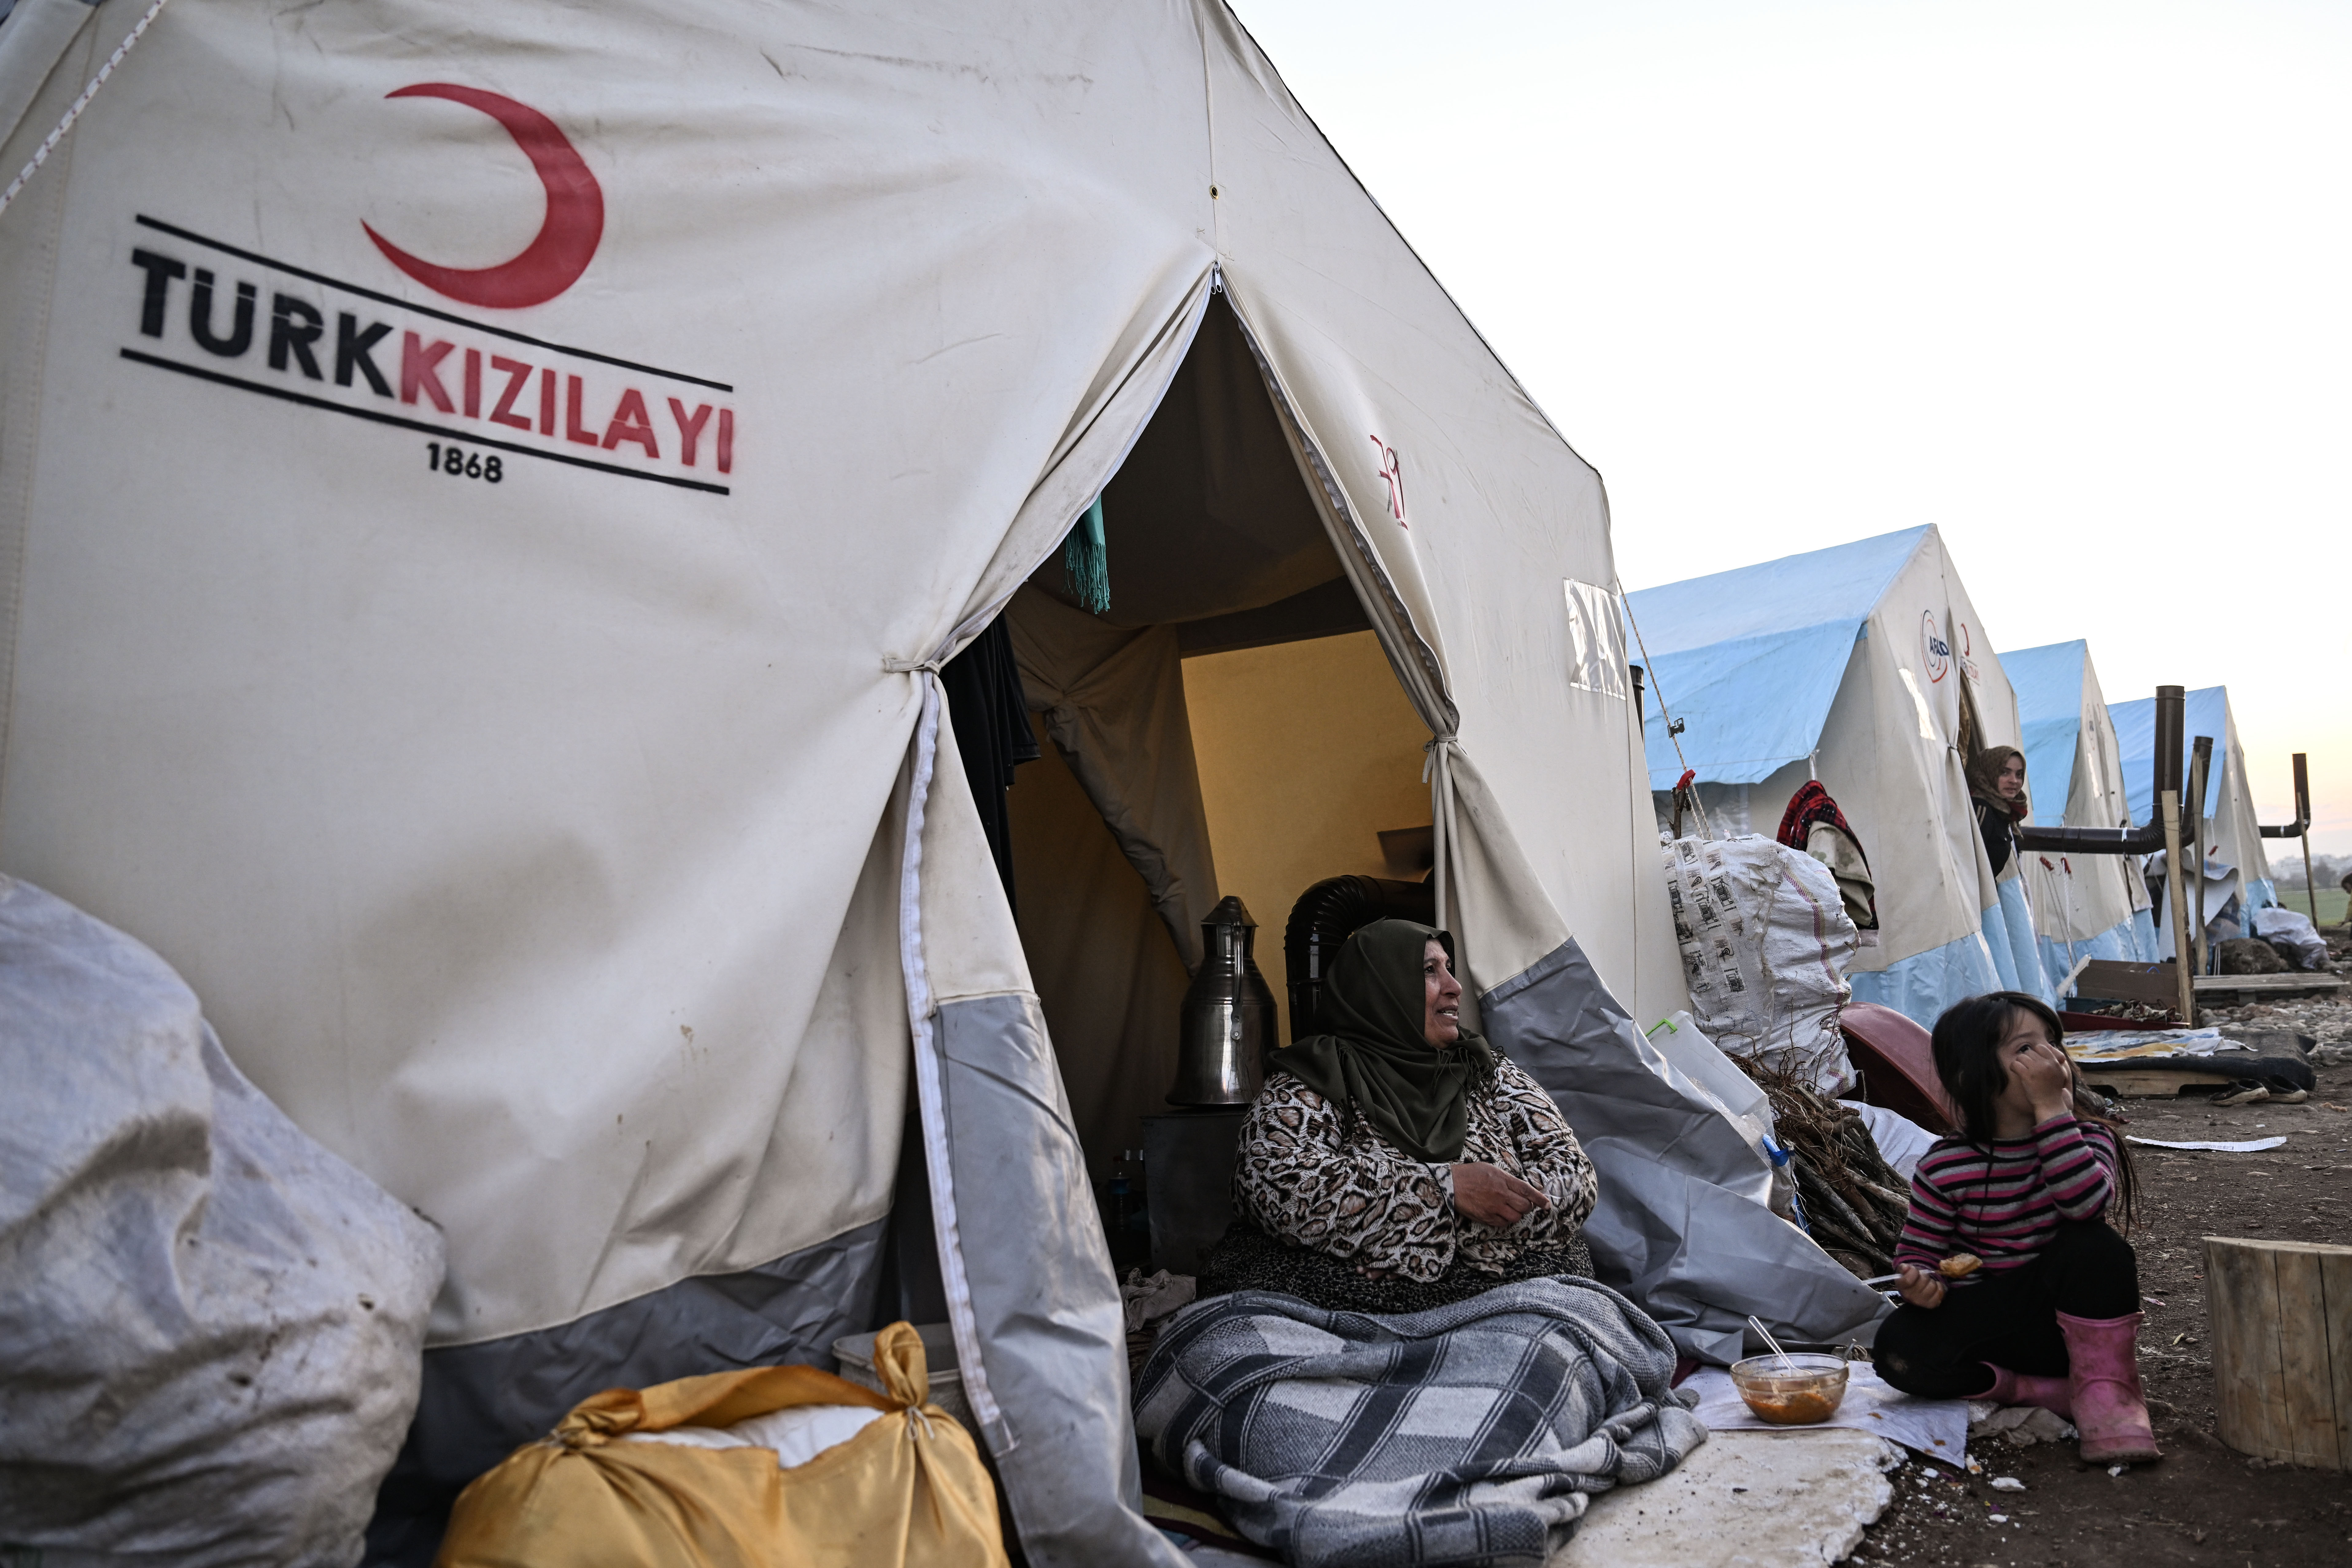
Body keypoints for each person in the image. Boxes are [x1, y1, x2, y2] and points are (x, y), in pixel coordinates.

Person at [1209, 919, 1598, 1313]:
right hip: (1359, 1298)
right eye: (1429, 971)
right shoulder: (1315, 1076)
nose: (1454, 986)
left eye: (1448, 968)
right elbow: (1272, 1184)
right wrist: (1447, 1189)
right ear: (1380, 988)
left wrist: (1431, 1230)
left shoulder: (1483, 1070)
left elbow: (1574, 1180)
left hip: (1498, 1283)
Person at [1872, 991, 2158, 1465]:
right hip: (1996, 1331)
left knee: (2095, 1246)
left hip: (2071, 1330)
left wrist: (2052, 1112)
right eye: (2026, 1049)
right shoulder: (1946, 1165)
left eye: (2051, 1043)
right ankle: (2046, 1392)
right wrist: (1922, 1282)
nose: (2049, 1058)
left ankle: (2109, 1395)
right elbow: (1920, 1253)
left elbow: (2085, 1204)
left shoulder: (2088, 1138)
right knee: (1897, 1351)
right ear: (1972, 1075)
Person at [1967, 746, 2030, 877]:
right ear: (1990, 772)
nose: (2014, 781)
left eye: (2019, 775)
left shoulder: (2004, 811)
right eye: (2004, 773)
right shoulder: (1980, 808)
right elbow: (1966, 863)